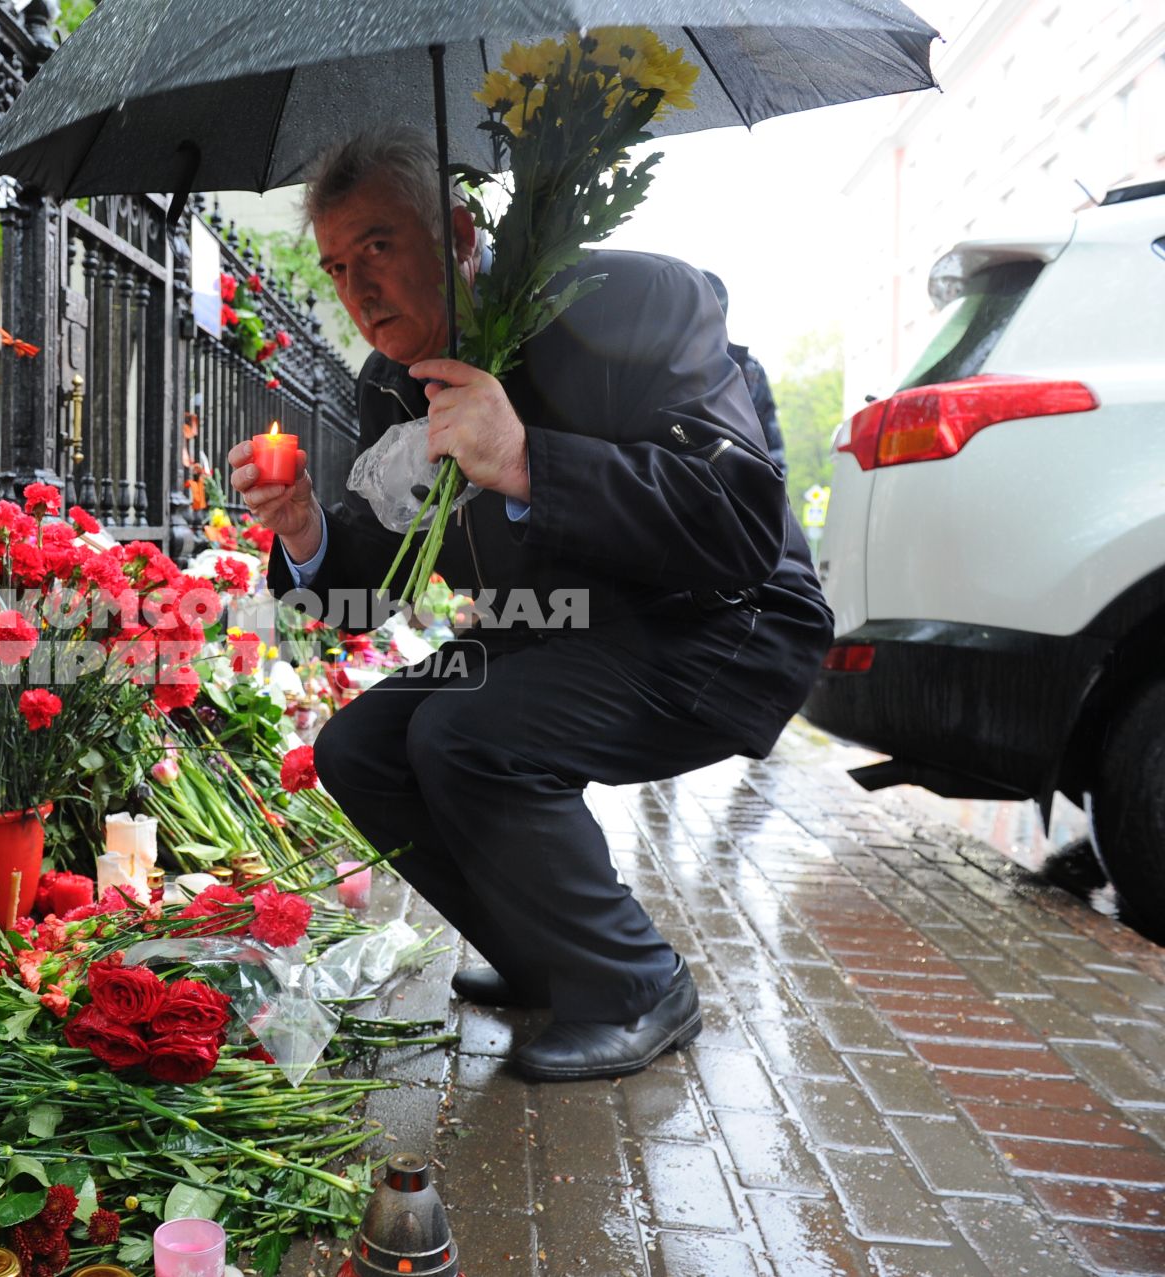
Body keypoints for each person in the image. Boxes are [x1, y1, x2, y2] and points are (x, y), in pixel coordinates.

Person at [226, 130, 833, 1081]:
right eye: (339, 264)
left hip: (719, 623)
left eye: (379, 246)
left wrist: (523, 460)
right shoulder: (395, 383)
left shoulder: (633, 301)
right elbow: (368, 591)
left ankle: (637, 983)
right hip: (553, 637)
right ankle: (543, 952)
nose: (357, 288)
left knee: (467, 734)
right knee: (358, 748)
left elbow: (739, 523)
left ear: (459, 232)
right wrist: (306, 533)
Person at [702, 271, 786, 470]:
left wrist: (774, 495)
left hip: (738, 488)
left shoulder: (749, 371)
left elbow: (772, 447)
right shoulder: (657, 366)